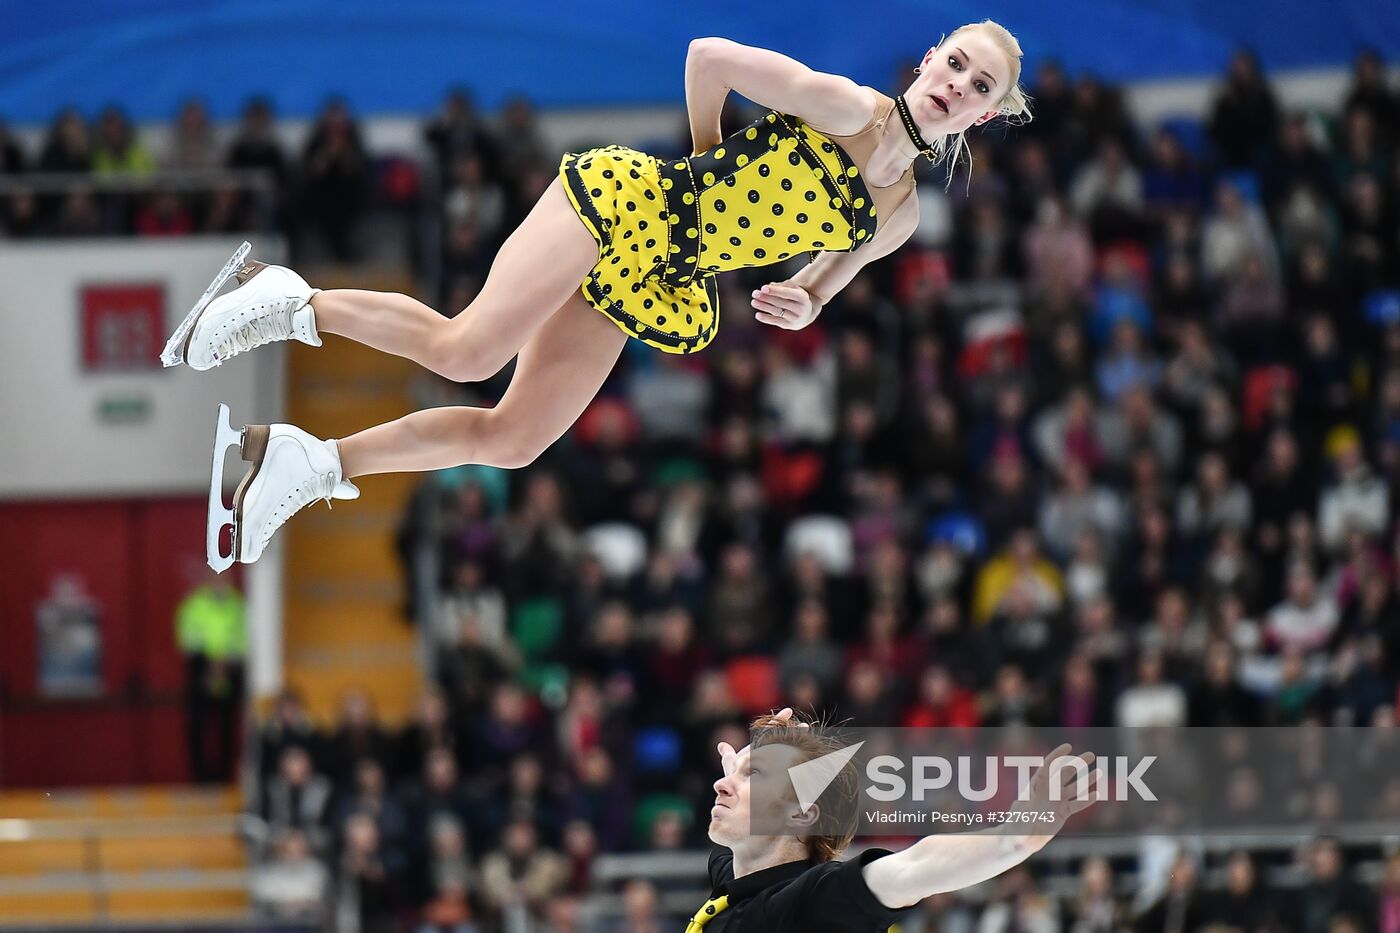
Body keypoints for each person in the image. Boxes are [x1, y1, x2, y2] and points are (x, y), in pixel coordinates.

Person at [163, 24, 1031, 569]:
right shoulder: (849, 107)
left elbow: (827, 280)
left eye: (979, 85)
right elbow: (708, 58)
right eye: (956, 62)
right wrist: (704, 157)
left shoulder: (902, 215)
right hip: (637, 201)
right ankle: (280, 297)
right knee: (468, 350)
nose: (958, 82)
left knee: (512, 439)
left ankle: (303, 463)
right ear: (929, 59)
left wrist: (804, 299)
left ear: (984, 116)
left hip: (668, 275)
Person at [692, 707, 1096, 931]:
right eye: (732, 774)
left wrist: (1014, 836)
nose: (721, 785)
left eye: (754, 776)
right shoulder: (736, 875)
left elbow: (913, 866)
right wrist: (754, 759)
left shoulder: (814, 903)